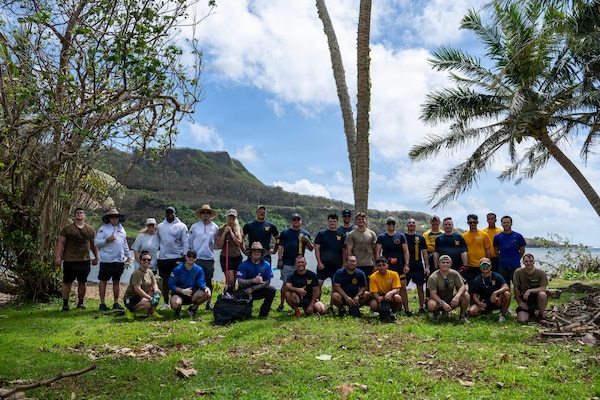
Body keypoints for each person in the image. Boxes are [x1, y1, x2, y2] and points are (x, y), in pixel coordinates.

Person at [55, 207, 99, 311]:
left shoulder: (90, 229)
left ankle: (81, 302)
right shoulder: (67, 229)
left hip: (84, 260)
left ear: (84, 215)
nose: (79, 214)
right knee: (67, 282)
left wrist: (96, 257)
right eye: (77, 213)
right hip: (70, 260)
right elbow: (61, 243)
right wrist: (58, 257)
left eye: (81, 213)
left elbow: (94, 244)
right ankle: (65, 304)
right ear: (74, 216)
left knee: (82, 282)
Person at [276, 212, 314, 312]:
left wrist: (308, 241)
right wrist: (280, 259)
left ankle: (299, 302)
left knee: (298, 284)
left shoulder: (305, 233)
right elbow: (280, 247)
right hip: (287, 262)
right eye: (294, 220)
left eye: (298, 219)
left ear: (301, 221)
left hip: (300, 263)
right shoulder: (285, 232)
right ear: (291, 221)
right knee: (285, 284)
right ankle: (281, 303)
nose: (296, 221)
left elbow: (311, 248)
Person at [375, 216, 412, 316]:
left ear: (395, 224)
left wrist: (407, 264)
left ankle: (407, 309)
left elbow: (406, 251)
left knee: (402, 288)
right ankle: (388, 307)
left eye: (393, 223)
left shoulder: (401, 236)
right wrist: (377, 264)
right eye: (389, 223)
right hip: (386, 266)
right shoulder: (381, 237)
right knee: (387, 287)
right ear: (386, 225)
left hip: (399, 266)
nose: (391, 225)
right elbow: (378, 252)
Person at [95, 208, 130, 311]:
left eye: (116, 217)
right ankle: (102, 303)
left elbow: (124, 243)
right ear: (109, 218)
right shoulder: (103, 229)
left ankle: (116, 303)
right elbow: (96, 243)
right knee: (103, 281)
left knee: (116, 281)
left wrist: (128, 256)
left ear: (119, 218)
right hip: (106, 260)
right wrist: (107, 239)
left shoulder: (122, 229)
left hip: (119, 260)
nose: (115, 219)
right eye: (113, 217)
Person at [157, 206, 189, 310]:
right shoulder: (160, 226)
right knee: (165, 281)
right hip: (163, 258)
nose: (169, 215)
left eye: (171, 213)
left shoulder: (182, 226)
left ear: (175, 213)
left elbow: (185, 241)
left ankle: (177, 301)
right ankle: (166, 302)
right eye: (167, 213)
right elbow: (157, 241)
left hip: (177, 257)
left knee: (178, 281)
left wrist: (185, 255)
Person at [189, 204, 219, 311]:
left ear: (210, 214)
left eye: (208, 213)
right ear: (200, 214)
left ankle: (209, 302)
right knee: (195, 281)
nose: (205, 214)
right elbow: (190, 242)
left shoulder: (215, 227)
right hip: (197, 258)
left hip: (209, 258)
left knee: (208, 281)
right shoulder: (194, 227)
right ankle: (195, 302)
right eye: (203, 212)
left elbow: (215, 242)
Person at [314, 213, 346, 312]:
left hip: (336, 266)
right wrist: (319, 262)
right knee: (318, 284)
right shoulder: (322, 233)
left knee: (335, 286)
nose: (332, 223)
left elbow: (344, 251)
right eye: (331, 221)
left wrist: (344, 265)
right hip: (323, 265)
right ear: (328, 222)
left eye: (334, 221)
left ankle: (331, 306)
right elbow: (317, 248)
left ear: (337, 222)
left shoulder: (341, 235)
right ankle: (317, 303)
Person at [236, 242, 277, 317]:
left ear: (261, 253)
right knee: (246, 315)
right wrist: (253, 280)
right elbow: (240, 282)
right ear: (250, 253)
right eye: (254, 251)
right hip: (245, 291)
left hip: (258, 289)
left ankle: (264, 313)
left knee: (272, 290)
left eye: (258, 251)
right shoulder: (243, 265)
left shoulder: (266, 264)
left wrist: (253, 288)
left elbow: (267, 282)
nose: (256, 253)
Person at [427, 255, 470, 323]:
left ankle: (462, 316)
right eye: (443, 262)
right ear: (439, 264)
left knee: (466, 295)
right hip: (438, 301)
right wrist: (443, 303)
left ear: (451, 264)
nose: (445, 264)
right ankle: (436, 315)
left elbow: (463, 286)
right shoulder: (433, 277)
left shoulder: (454, 273)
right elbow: (433, 294)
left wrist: (457, 297)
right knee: (432, 305)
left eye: (447, 262)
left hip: (450, 301)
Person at [168, 250, 211, 318]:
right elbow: (170, 284)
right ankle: (178, 310)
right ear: (185, 257)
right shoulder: (177, 269)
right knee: (175, 304)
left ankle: (192, 309)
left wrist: (206, 288)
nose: (191, 258)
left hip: (192, 293)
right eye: (189, 256)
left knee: (206, 294)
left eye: (193, 257)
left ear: (196, 259)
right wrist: (182, 291)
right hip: (179, 293)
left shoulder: (199, 269)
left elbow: (201, 283)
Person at [467, 257, 510, 322]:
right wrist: (479, 303)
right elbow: (474, 295)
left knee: (507, 294)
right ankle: (487, 312)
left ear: (491, 267)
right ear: (480, 267)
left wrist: (495, 293)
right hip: (485, 302)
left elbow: (506, 287)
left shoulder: (497, 276)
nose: (485, 267)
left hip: (497, 300)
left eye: (487, 265)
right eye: (483, 265)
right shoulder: (477, 280)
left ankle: (502, 315)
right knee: (471, 311)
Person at [123, 251, 162, 320]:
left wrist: (156, 292)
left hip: (141, 296)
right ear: (140, 261)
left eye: (149, 260)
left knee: (158, 292)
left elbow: (154, 283)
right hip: (132, 298)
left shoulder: (149, 271)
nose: (146, 261)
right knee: (148, 304)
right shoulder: (137, 273)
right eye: (144, 259)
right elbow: (137, 289)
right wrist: (150, 298)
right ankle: (130, 310)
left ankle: (152, 312)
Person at [513, 253, 550, 326]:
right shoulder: (518, 272)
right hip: (525, 299)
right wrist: (520, 302)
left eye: (530, 261)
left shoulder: (540, 273)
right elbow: (515, 288)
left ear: (534, 262)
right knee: (522, 320)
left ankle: (540, 315)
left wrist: (529, 290)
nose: (528, 263)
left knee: (542, 294)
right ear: (523, 262)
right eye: (526, 261)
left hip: (537, 298)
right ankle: (530, 313)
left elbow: (543, 288)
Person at [494, 215, 526, 290]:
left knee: (518, 286)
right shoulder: (497, 237)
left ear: (511, 223)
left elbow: (522, 251)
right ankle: (505, 301)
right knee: (504, 287)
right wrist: (503, 258)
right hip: (502, 265)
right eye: (504, 222)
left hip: (515, 265)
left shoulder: (518, 236)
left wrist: (516, 258)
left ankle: (520, 301)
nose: (506, 224)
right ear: (501, 224)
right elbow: (496, 251)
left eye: (508, 222)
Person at [404, 218, 429, 313]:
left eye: (413, 223)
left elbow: (425, 253)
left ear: (415, 225)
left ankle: (421, 307)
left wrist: (427, 266)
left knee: (420, 287)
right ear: (407, 225)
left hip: (418, 265)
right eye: (409, 223)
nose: (411, 224)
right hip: (406, 266)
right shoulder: (403, 237)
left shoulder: (420, 237)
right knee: (403, 287)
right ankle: (404, 307)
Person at [216, 209, 244, 293]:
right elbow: (219, 245)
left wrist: (231, 232)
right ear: (227, 217)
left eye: (233, 217)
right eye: (230, 216)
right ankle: (227, 295)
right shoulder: (221, 229)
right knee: (230, 280)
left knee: (235, 280)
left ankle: (232, 297)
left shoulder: (239, 229)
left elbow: (239, 243)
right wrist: (224, 233)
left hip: (237, 257)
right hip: (226, 256)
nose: (231, 218)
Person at [461, 214, 492, 289]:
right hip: (469, 266)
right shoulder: (463, 236)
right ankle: (472, 301)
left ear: (477, 222)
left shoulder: (484, 235)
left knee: (483, 287)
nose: (472, 224)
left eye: (474, 222)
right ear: (467, 223)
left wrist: (489, 263)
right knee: (471, 287)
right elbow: (462, 251)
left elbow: (487, 249)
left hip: (482, 265)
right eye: (470, 222)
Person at [344, 212, 377, 280]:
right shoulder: (351, 234)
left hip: (369, 265)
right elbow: (349, 251)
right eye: (359, 219)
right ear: (356, 221)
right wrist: (349, 264)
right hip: (356, 265)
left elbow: (375, 251)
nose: (361, 221)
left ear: (366, 220)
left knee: (369, 285)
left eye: (363, 219)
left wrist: (376, 264)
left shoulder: (372, 234)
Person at [369, 257, 402, 321]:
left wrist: (390, 293)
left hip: (391, 295)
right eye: (379, 265)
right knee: (373, 304)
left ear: (387, 265)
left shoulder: (394, 274)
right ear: (376, 266)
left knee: (398, 298)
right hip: (380, 295)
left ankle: (393, 313)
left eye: (383, 265)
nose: (381, 267)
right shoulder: (373, 277)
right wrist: (379, 298)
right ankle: (382, 312)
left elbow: (397, 289)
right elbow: (374, 292)